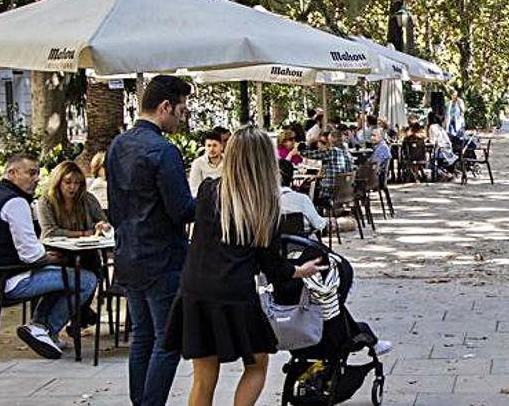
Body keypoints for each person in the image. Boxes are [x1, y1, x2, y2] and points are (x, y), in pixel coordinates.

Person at [162, 126, 326, 406]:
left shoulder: (208, 191)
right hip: (235, 292)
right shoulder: (267, 205)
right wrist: (300, 271)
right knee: (258, 361)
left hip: (196, 289)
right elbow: (272, 265)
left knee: (202, 377)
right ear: (266, 161)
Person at [106, 74, 196, 406]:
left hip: (128, 254)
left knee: (142, 337)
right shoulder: (164, 150)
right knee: (167, 340)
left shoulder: (118, 145)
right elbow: (182, 209)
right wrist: (215, 199)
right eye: (181, 111)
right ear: (165, 107)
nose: (182, 117)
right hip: (162, 258)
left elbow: (115, 206)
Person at [0, 154, 99, 360]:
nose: (36, 178)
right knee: (86, 279)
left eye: (38, 173)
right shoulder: (15, 202)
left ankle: (43, 329)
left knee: (65, 276)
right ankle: (43, 328)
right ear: (12, 173)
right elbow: (31, 255)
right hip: (11, 280)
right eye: (31, 173)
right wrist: (49, 258)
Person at [37, 161, 110, 239]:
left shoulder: (88, 198)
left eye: (77, 183)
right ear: (58, 182)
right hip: (55, 248)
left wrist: (102, 227)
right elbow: (49, 232)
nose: (72, 187)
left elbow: (105, 223)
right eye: (68, 182)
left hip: (87, 247)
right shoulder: (46, 201)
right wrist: (83, 233)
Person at [305, 127, 355, 203]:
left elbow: (312, 155)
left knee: (307, 190)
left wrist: (300, 150)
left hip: (330, 192)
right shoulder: (347, 153)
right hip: (346, 190)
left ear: (331, 141)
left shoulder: (332, 152)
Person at [278, 160, 326, 236]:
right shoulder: (302, 200)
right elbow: (318, 224)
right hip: (300, 245)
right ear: (291, 177)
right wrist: (326, 221)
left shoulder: (263, 202)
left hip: (272, 245)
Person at [189, 127, 229, 194]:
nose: (211, 149)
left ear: (221, 146)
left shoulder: (228, 161)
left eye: (215, 145)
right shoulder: (198, 163)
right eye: (208, 146)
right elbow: (194, 189)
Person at [428, 112, 458, 178]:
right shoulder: (440, 127)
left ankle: (442, 174)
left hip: (439, 150)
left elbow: (432, 141)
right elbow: (448, 140)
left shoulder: (431, 127)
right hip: (447, 150)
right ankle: (447, 173)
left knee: (429, 162)